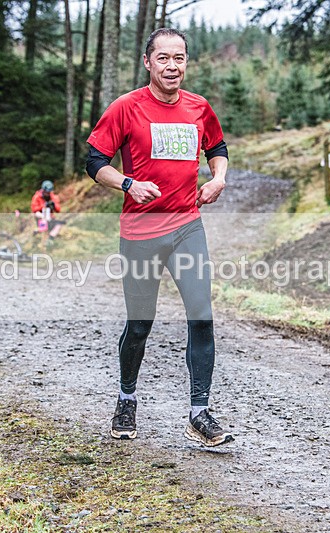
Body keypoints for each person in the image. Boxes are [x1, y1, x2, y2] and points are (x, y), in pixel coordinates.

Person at [85, 28, 232, 446]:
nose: (172, 66)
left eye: (180, 58)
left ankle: (199, 413)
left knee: (201, 314)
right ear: (148, 62)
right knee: (140, 324)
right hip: (141, 232)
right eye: (163, 58)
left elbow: (216, 146)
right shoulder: (126, 108)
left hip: (187, 226)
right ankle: (126, 398)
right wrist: (127, 184)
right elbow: (95, 161)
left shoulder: (198, 108)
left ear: (187, 62)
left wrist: (218, 178)